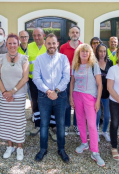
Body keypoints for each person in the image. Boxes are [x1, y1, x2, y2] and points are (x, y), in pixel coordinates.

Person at [33, 33, 70, 163]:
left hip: (60, 96)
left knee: (60, 124)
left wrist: (56, 91)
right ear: (45, 44)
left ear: (57, 44)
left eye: (54, 43)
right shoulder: (39, 59)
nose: (51, 46)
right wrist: (48, 91)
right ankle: (43, 149)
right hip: (44, 96)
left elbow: (66, 77)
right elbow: (36, 78)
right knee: (44, 124)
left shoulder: (63, 58)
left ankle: (61, 149)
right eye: (49, 43)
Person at [69, 44, 105, 167]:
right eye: (82, 51)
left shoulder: (94, 66)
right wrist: (70, 97)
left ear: (90, 53)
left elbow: (100, 84)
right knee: (79, 121)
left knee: (92, 124)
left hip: (90, 97)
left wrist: (98, 101)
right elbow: (72, 82)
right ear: (78, 53)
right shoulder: (75, 66)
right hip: (77, 95)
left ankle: (95, 151)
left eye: (87, 51)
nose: (84, 53)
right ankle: (84, 143)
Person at [0, 34, 29, 161]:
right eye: (10, 43)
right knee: (7, 121)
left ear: (18, 44)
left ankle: (19, 147)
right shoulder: (1, 58)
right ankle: (10, 146)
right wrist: (5, 92)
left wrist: (12, 92)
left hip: (18, 96)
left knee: (18, 122)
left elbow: (25, 78)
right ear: (6, 44)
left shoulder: (24, 59)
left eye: (15, 43)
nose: (12, 46)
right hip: (4, 96)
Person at [28, 28, 57, 141]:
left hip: (48, 81)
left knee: (50, 102)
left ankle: (52, 126)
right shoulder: (29, 47)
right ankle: (38, 125)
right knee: (35, 102)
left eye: (39, 35)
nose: (36, 37)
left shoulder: (49, 45)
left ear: (43, 35)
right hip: (33, 80)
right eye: (34, 35)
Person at [59, 25, 82, 136]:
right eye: (72, 32)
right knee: (67, 102)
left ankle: (77, 125)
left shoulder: (83, 46)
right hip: (67, 79)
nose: (74, 34)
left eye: (76, 32)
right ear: (69, 34)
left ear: (79, 34)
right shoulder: (63, 47)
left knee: (78, 103)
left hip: (80, 79)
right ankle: (67, 125)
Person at [95, 44, 113, 142]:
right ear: (97, 52)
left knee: (107, 116)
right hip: (96, 93)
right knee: (97, 115)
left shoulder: (110, 62)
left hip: (107, 93)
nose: (102, 54)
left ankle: (104, 131)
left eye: (104, 51)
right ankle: (96, 132)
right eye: (100, 51)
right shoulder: (93, 63)